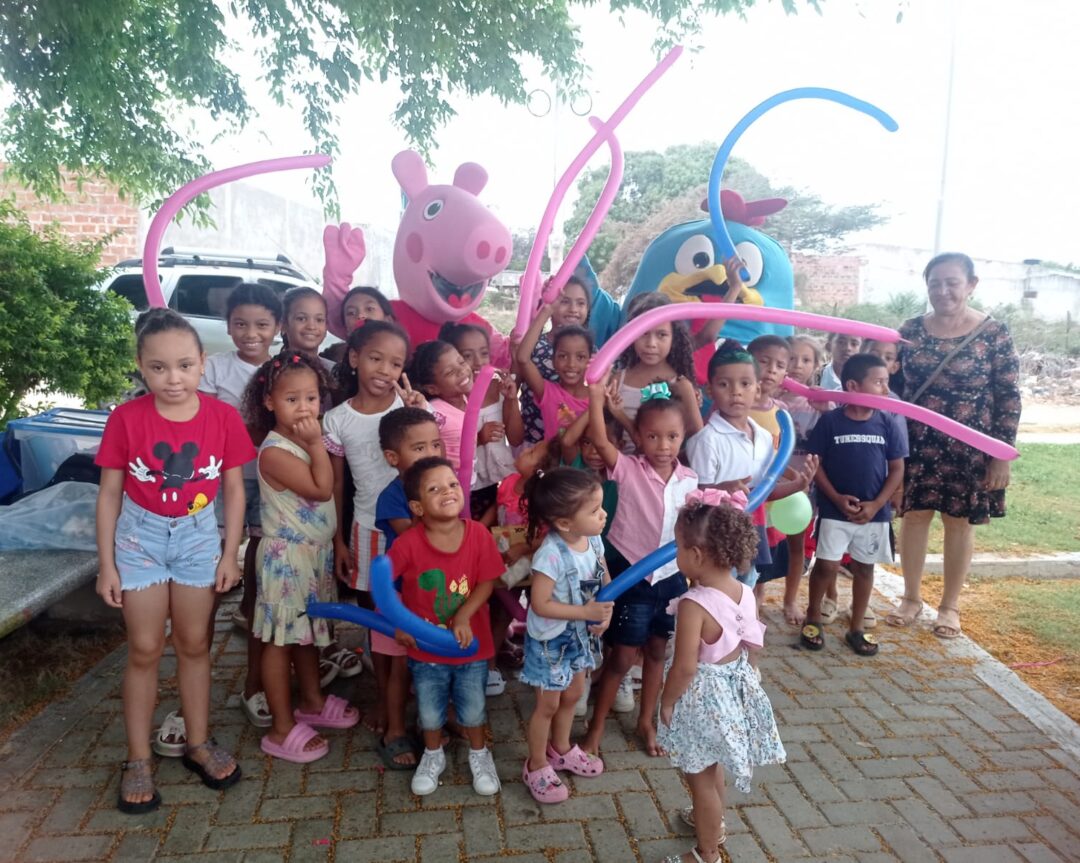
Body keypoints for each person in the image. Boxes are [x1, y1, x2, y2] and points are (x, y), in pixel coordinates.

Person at [95, 309, 248, 813]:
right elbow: (110, 493)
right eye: (158, 367)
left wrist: (230, 551)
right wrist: (107, 564)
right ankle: (138, 757)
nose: (173, 378)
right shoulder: (126, 418)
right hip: (138, 540)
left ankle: (198, 742)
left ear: (203, 363)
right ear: (141, 366)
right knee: (143, 648)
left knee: (194, 643)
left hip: (200, 540)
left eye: (184, 365)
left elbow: (232, 488)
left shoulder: (222, 417)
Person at [888, 253, 1021, 638]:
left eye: (952, 283)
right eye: (935, 284)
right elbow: (894, 388)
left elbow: (1008, 395)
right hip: (918, 442)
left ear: (971, 284)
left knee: (958, 523)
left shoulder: (994, 333)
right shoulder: (910, 329)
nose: (943, 291)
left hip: (970, 446)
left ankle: (949, 607)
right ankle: (911, 598)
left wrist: (1001, 453)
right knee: (914, 517)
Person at [241, 352, 359, 762]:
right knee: (279, 641)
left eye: (311, 398)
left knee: (305, 634)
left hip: (313, 556)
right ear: (269, 401)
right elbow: (321, 489)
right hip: (285, 561)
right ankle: (280, 726)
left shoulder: (305, 441)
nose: (305, 408)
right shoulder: (275, 451)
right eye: (293, 399)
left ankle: (310, 701)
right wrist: (314, 443)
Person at [657, 496, 786, 863]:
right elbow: (753, 639)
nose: (677, 553)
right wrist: (752, 673)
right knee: (712, 767)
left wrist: (666, 701)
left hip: (700, 698)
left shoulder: (694, 604)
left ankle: (707, 852)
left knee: (699, 777)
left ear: (697, 555)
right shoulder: (745, 591)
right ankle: (713, 823)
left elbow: (684, 667)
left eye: (680, 546)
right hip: (731, 687)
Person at [579, 375, 698, 760]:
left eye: (672, 437)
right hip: (632, 575)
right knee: (622, 657)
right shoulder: (627, 469)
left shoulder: (690, 480)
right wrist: (597, 399)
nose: (663, 446)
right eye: (652, 437)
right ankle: (595, 727)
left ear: (682, 437)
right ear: (638, 437)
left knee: (657, 653)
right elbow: (600, 441)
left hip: (670, 579)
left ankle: (647, 722)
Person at [387, 458, 503, 798]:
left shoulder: (478, 534)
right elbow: (383, 583)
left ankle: (480, 755)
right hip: (426, 649)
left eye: (452, 484)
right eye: (434, 489)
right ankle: (433, 755)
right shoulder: (407, 544)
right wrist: (398, 621)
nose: (447, 492)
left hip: (471, 648)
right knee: (429, 708)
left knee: (473, 707)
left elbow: (487, 581)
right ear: (417, 507)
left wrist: (465, 615)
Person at [197, 283, 282, 737]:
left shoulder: (283, 370)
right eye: (241, 324)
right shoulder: (215, 371)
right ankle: (195, 691)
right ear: (228, 327)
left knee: (259, 589)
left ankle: (254, 685)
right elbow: (206, 422)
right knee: (208, 586)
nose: (251, 333)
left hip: (273, 487)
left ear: (277, 328)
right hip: (222, 486)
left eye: (262, 325)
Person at [799, 354, 907, 656]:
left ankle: (856, 627)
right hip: (835, 512)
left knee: (864, 568)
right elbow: (815, 463)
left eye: (887, 382)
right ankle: (812, 617)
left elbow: (897, 468)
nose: (886, 389)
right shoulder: (831, 422)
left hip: (874, 515)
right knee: (827, 565)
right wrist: (835, 498)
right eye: (880, 382)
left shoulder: (887, 423)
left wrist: (877, 505)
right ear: (853, 385)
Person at [518, 468, 613, 802]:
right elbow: (541, 604)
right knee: (548, 704)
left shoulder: (592, 539)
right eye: (594, 510)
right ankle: (536, 764)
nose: (603, 514)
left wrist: (606, 608)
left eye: (600, 507)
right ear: (564, 523)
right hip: (551, 642)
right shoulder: (551, 555)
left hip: (579, 635)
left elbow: (603, 575)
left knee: (573, 694)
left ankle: (561, 749)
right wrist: (585, 613)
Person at [685, 348, 816, 588]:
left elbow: (762, 493)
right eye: (724, 384)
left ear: (757, 389)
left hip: (750, 533)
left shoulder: (764, 437)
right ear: (710, 390)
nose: (736, 391)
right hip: (716, 536)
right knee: (713, 593)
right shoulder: (707, 440)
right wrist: (722, 489)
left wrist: (798, 485)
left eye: (745, 384)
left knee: (748, 587)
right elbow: (695, 498)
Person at [371, 406, 445, 769]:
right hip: (398, 597)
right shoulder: (392, 497)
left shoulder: (446, 486)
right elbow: (419, 540)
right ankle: (395, 730)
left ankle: (430, 722)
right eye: (419, 448)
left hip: (433, 595)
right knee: (399, 665)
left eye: (436, 444)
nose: (431, 454)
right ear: (392, 457)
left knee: (428, 662)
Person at [439, 321, 523, 522]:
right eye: (466, 356)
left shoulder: (499, 385)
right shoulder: (451, 398)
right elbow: (444, 448)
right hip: (469, 486)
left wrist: (511, 400)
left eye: (483, 353)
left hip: (501, 479)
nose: (477, 362)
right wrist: (478, 438)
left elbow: (516, 438)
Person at [608, 293, 703, 447]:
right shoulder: (618, 380)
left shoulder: (681, 386)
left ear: (674, 338)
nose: (651, 343)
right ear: (631, 334)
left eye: (661, 335)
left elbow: (699, 439)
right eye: (644, 333)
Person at [520, 276, 592, 445]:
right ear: (553, 359)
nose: (572, 364)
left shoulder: (595, 397)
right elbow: (522, 358)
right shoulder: (536, 345)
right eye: (565, 301)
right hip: (534, 441)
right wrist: (546, 309)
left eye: (581, 303)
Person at [323, 286, 395, 365]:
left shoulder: (406, 359)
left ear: (388, 320)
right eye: (351, 313)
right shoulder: (333, 363)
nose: (360, 316)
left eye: (369, 309)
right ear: (346, 329)